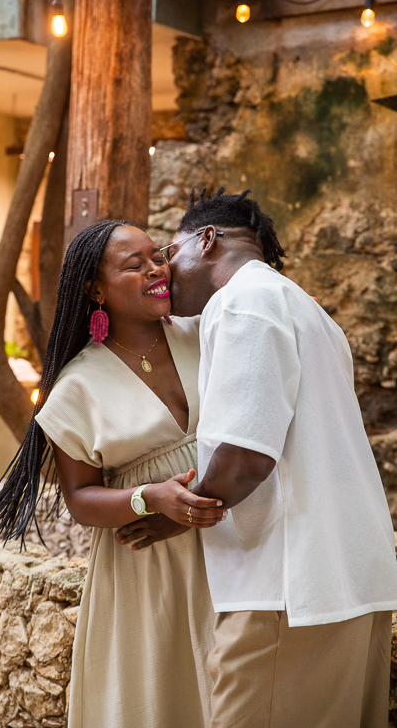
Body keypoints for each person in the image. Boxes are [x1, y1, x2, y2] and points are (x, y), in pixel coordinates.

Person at [119, 188, 397, 728]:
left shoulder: (243, 302)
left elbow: (246, 455)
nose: (165, 272)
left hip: (286, 590)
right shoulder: (310, 312)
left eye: (168, 253)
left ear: (207, 239)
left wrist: (174, 515)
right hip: (352, 582)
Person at [0, 220, 226, 728]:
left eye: (157, 255)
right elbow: (81, 499)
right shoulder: (77, 386)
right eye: (134, 265)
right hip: (150, 566)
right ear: (96, 289)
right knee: (164, 698)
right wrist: (150, 498)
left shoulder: (206, 333)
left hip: (233, 543)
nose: (156, 269)